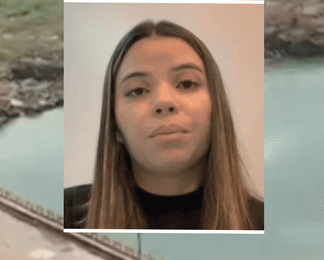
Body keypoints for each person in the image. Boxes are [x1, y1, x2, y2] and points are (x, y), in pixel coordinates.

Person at [64, 20, 264, 230]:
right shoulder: (66, 212)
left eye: (187, 83)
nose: (164, 101)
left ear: (217, 111)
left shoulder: (261, 222)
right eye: (138, 90)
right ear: (114, 125)